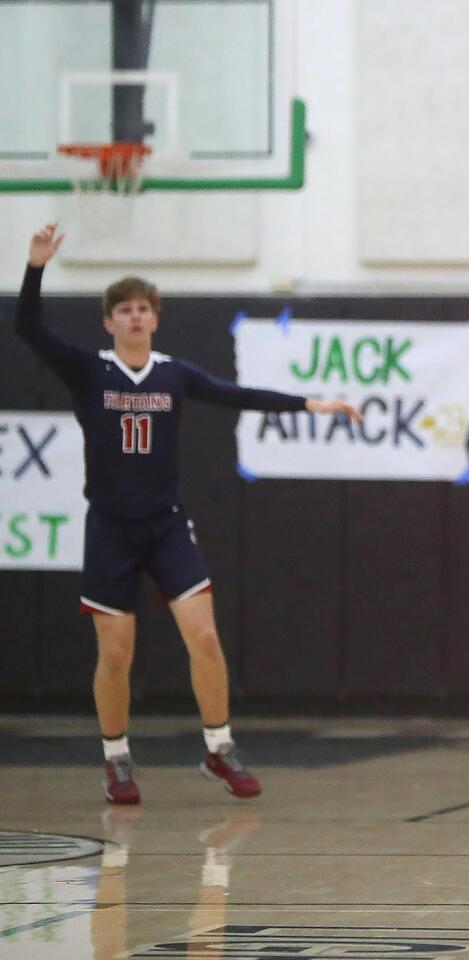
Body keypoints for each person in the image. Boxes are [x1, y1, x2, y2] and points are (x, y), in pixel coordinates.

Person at [17, 224, 361, 805]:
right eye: (123, 309)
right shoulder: (88, 371)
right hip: (110, 528)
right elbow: (27, 327)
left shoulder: (173, 374)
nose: (133, 317)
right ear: (109, 322)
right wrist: (34, 267)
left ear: (155, 319)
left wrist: (312, 403)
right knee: (116, 651)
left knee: (203, 634)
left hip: (167, 525)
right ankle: (117, 758)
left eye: (143, 309)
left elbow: (239, 395)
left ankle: (219, 747)